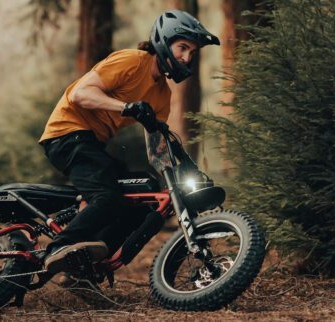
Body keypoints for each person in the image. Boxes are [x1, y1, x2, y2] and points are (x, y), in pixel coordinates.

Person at [39, 9, 220, 274]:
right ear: (164, 40)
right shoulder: (132, 62)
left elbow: (158, 150)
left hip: (91, 143)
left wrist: (186, 169)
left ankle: (85, 268)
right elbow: (80, 94)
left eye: (192, 53)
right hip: (67, 134)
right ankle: (58, 248)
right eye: (182, 47)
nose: (186, 57)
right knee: (106, 196)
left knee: (140, 204)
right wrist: (127, 106)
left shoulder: (161, 95)